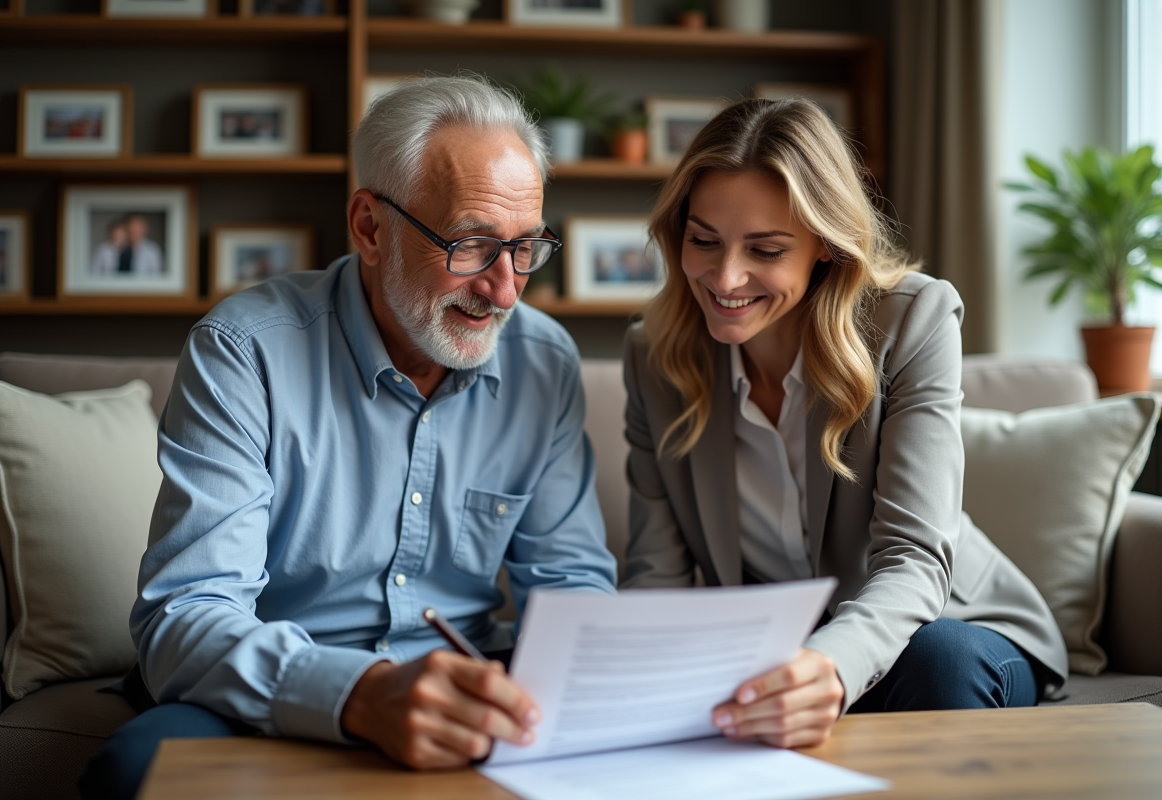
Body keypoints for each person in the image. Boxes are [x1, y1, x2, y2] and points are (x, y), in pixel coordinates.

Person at [80, 75, 617, 799]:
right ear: (369, 227)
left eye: (526, 248)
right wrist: (361, 693)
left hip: (465, 688)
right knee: (134, 769)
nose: (506, 290)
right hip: (269, 695)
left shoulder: (542, 360)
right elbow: (186, 616)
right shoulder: (244, 351)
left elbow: (571, 584)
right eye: (471, 245)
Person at [621, 97, 1069, 750]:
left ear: (824, 247)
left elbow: (913, 559)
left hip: (946, 624)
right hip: (780, 651)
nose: (725, 276)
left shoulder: (911, 321)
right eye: (703, 241)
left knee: (937, 660)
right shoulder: (655, 355)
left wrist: (829, 665)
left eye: (766, 249)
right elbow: (656, 576)